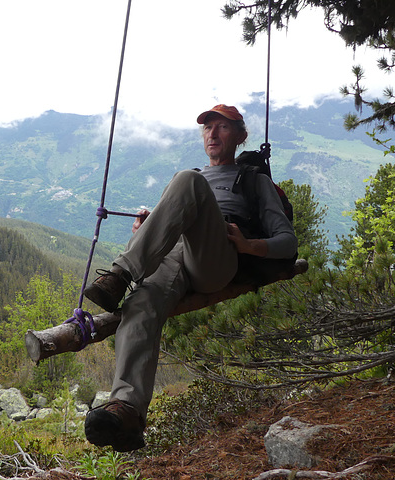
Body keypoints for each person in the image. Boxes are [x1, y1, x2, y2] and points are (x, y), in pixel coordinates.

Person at [83, 104, 298, 452]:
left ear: (241, 136)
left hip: (218, 259)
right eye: (207, 128)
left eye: (223, 128)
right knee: (141, 305)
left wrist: (248, 244)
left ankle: (120, 274)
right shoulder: (194, 177)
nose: (212, 134)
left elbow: (288, 242)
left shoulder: (254, 181)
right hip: (174, 258)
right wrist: (143, 232)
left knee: (187, 179)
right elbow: (164, 232)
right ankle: (128, 411)